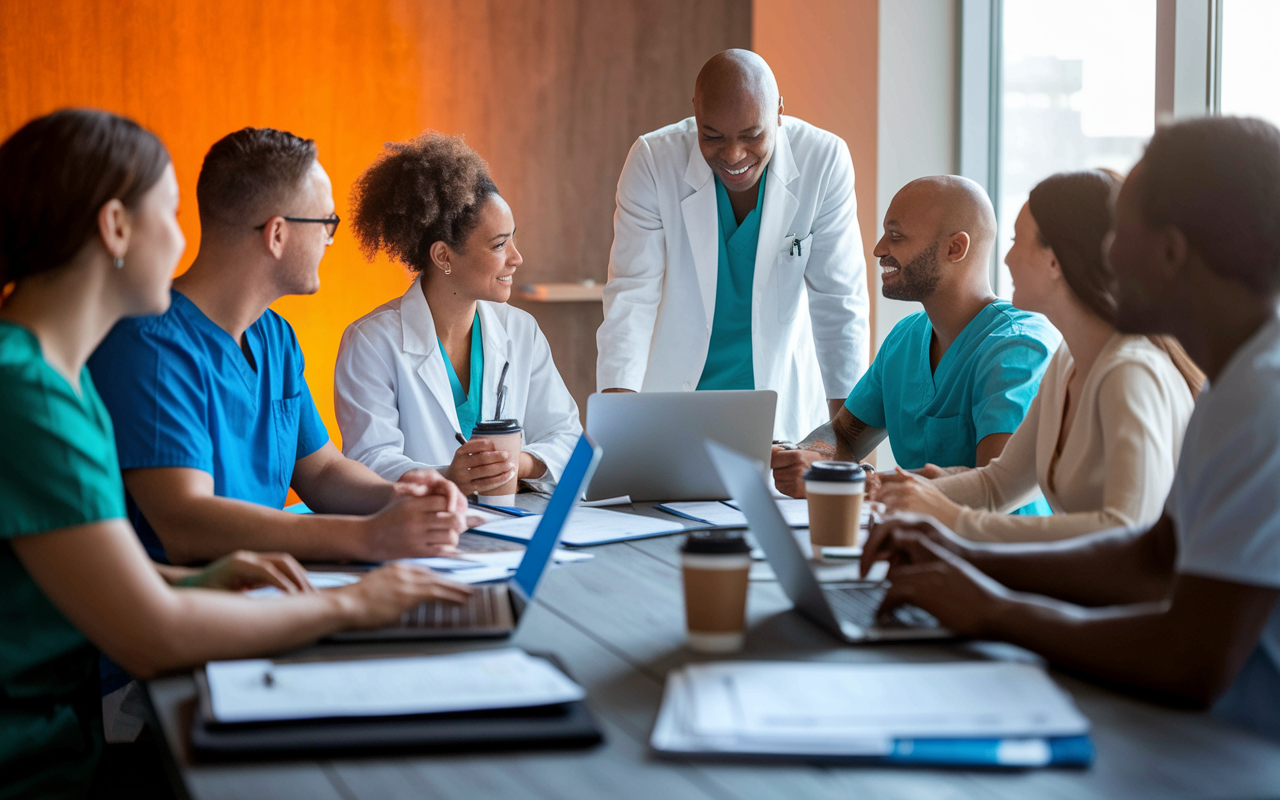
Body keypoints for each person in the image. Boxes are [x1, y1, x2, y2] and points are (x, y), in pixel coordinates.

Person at [0, 108, 471, 800]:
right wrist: (357, 601)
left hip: (63, 736)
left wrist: (203, 578)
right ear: (116, 228)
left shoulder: (54, 379)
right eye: (170, 214)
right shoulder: (31, 394)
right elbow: (150, 634)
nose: (186, 237)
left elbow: (113, 573)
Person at [865, 117, 1280, 740]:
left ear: (1170, 250)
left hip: (1237, 746)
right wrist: (961, 555)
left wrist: (992, 609)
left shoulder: (1260, 397)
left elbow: (1192, 657)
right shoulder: (1236, 383)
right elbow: (1152, 556)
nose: (1107, 255)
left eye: (1122, 233)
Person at [87, 127, 469, 567]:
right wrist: (366, 537)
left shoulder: (276, 337)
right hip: (192, 606)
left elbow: (322, 472)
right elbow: (186, 524)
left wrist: (404, 497)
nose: (331, 240)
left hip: (266, 582)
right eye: (326, 223)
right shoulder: (148, 346)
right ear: (277, 235)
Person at [875, 169, 1200, 541]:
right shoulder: (1066, 364)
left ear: (1055, 261)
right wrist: (891, 494)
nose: (1007, 258)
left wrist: (950, 517)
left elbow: (1125, 529)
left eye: (1017, 241)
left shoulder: (1129, 372)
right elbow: (997, 486)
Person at [595, 49, 869, 442]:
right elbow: (631, 298)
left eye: (752, 135)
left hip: (780, 409)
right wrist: (618, 429)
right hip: (674, 403)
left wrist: (845, 447)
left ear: (778, 111)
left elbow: (839, 304)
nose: (734, 155)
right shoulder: (654, 161)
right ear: (695, 112)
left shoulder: (823, 161)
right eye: (713, 136)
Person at [771, 176, 1061, 516]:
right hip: (922, 544)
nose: (879, 249)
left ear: (955, 248)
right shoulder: (905, 338)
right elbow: (845, 436)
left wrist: (851, 483)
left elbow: (993, 482)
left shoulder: (1019, 347)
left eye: (896, 236)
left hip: (1000, 557)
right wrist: (808, 453)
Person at [334, 132, 581, 495]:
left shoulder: (522, 330)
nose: (517, 258)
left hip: (517, 522)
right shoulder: (372, 342)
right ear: (443, 256)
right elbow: (368, 461)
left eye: (513, 238)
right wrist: (448, 476)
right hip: (420, 530)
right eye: (499, 244)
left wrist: (516, 463)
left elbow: (569, 439)